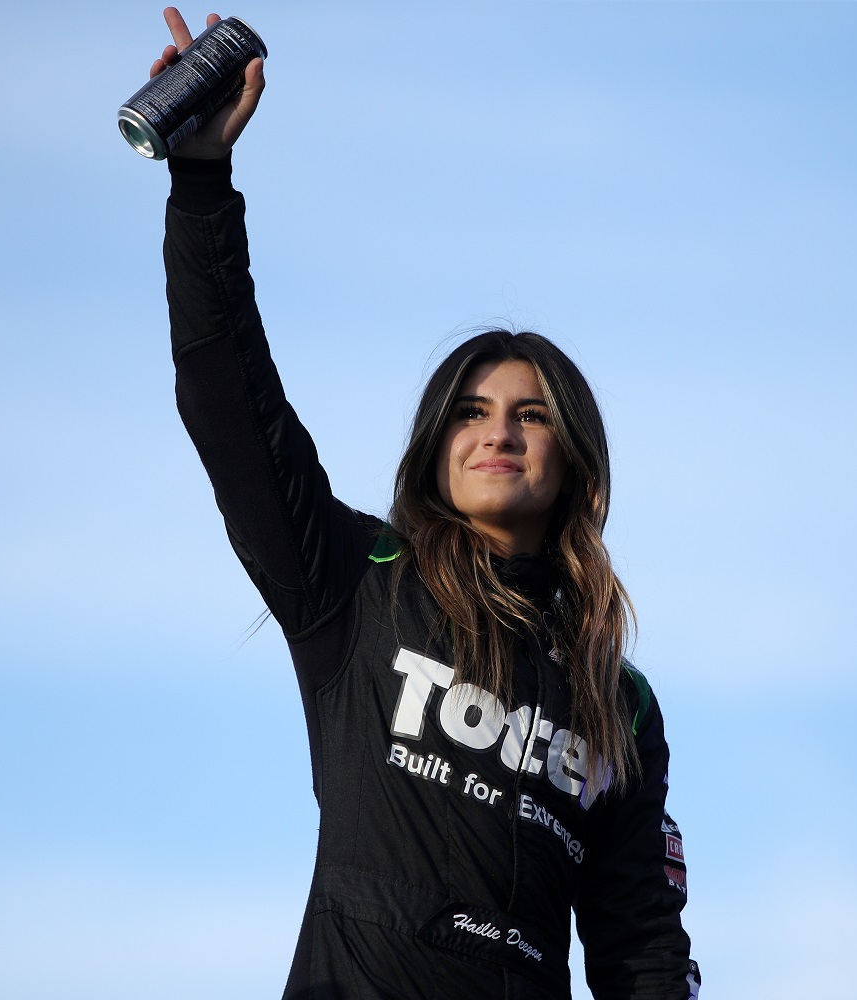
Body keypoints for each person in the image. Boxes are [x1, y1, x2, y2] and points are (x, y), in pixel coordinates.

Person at [150, 9, 699, 998]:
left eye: (532, 415)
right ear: (438, 448)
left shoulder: (619, 703)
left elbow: (641, 946)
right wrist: (200, 186)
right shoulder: (353, 584)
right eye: (473, 413)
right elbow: (232, 402)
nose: (500, 432)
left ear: (573, 459)